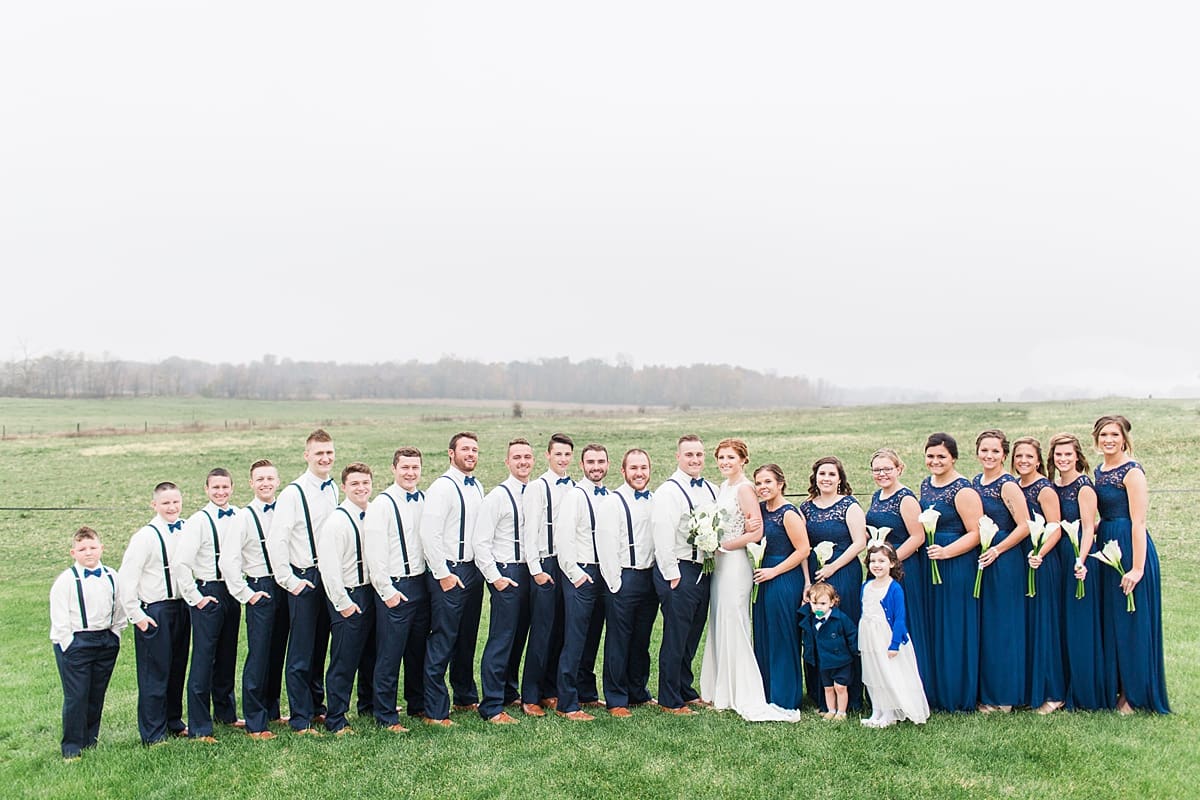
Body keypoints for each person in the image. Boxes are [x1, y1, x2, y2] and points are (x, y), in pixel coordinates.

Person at [700, 439, 799, 722]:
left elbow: (755, 533)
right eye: (720, 458)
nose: (724, 463)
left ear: (743, 460)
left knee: (734, 620)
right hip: (719, 563)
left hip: (735, 564)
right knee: (719, 619)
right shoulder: (723, 487)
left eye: (730, 458)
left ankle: (741, 691)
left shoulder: (745, 488)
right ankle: (722, 689)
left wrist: (725, 545)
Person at [1092, 415, 1169, 714]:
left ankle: (1135, 696)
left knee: (1132, 621)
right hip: (1107, 543)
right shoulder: (1099, 471)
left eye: (1114, 434)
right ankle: (1117, 688)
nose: (1108, 439)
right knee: (1112, 621)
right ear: (1096, 439)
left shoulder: (1132, 471)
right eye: (1103, 435)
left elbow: (1138, 522)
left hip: (1130, 546)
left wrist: (1137, 568)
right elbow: (1104, 514)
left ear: (1124, 438)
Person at [267, 428, 339, 734]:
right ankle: (299, 718)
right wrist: (289, 580)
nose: (325, 458)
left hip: (331, 575)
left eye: (329, 453)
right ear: (307, 455)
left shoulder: (334, 488)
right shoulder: (293, 493)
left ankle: (316, 706)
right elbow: (276, 540)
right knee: (300, 651)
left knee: (321, 645)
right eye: (319, 453)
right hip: (305, 576)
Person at [420, 431, 486, 726]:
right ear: (451, 453)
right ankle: (434, 709)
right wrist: (443, 573)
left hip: (473, 571)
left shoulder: (478, 487)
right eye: (465, 449)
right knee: (443, 638)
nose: (470, 454)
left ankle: (465, 696)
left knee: (466, 637)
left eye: (474, 450)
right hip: (449, 571)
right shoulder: (442, 488)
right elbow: (429, 534)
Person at [220, 459, 289, 739]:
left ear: (277, 481)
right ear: (251, 483)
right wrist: (246, 594)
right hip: (261, 586)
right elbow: (228, 561)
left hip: (285, 584)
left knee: (277, 652)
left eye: (270, 478)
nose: (265, 483)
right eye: (259, 479)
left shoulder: (284, 510)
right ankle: (255, 720)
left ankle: (272, 710)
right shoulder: (243, 517)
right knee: (259, 655)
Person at [118, 481, 190, 745]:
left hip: (182, 606)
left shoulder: (186, 529)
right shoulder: (144, 537)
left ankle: (174, 721)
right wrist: (137, 615)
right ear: (155, 505)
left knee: (176, 669)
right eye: (166, 503)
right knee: (154, 673)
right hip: (155, 609)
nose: (171, 507)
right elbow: (127, 578)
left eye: (175, 502)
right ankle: (152, 733)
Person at [651, 434, 718, 715]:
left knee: (692, 634)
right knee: (676, 636)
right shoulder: (669, 491)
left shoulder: (712, 489)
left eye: (699, 455)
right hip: (679, 569)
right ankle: (669, 699)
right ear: (678, 457)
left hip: (704, 569)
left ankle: (685, 688)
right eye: (689, 454)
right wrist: (671, 573)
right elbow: (661, 533)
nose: (694, 460)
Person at [364, 446, 429, 732]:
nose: (410, 473)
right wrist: (386, 590)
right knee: (390, 654)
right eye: (405, 467)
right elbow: (374, 553)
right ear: (393, 469)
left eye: (415, 467)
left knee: (417, 650)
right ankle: (386, 714)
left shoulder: (424, 499)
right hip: (395, 586)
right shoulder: (382, 504)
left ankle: (417, 704)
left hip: (420, 584)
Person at [175, 467, 243, 741]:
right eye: (215, 487)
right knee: (204, 659)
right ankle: (200, 726)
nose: (221, 492)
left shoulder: (239, 515)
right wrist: (196, 597)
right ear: (206, 489)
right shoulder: (198, 521)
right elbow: (181, 564)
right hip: (208, 589)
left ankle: (226, 714)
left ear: (232, 487)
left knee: (227, 655)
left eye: (225, 487)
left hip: (233, 590)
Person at [472, 438, 535, 725]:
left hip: (530, 572)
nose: (523, 462)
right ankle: (492, 705)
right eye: (517, 457)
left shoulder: (535, 493)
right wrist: (496, 579)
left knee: (519, 637)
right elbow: (480, 542)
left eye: (527, 457)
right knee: (501, 638)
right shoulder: (496, 497)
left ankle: (510, 692)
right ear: (507, 462)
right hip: (506, 572)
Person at [50, 526, 125, 760]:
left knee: (96, 693)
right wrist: (69, 643)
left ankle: (90, 740)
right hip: (76, 642)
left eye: (93, 547)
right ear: (73, 553)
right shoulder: (66, 581)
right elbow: (60, 617)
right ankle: (72, 747)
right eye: (82, 549)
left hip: (105, 639)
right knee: (77, 695)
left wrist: (115, 634)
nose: (89, 553)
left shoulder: (113, 576)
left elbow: (119, 607)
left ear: (101, 548)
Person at [921, 432, 983, 713]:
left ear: (953, 458)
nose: (935, 461)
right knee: (935, 626)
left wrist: (947, 552)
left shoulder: (963, 490)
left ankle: (957, 693)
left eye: (941, 456)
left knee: (954, 626)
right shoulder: (926, 485)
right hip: (930, 562)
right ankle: (935, 690)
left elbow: (976, 533)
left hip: (956, 563)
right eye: (931, 456)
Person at [800, 456, 866, 711]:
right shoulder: (806, 508)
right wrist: (807, 581)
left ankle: (850, 695)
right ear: (815, 477)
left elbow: (859, 542)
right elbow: (803, 547)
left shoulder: (849, 506)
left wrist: (833, 567)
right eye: (822, 473)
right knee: (817, 629)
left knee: (841, 629)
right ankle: (821, 693)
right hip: (817, 575)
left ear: (840, 479)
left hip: (843, 573)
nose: (826, 478)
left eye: (831, 474)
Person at [1047, 432, 1108, 710]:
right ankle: (1060, 685)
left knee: (1079, 624)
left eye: (1068, 454)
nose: (1063, 459)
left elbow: (1087, 528)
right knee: (1061, 623)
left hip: (1077, 557)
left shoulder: (1084, 487)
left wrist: (1081, 560)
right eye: (1058, 454)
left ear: (1077, 456)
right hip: (1057, 556)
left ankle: (1085, 691)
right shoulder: (1054, 485)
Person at [597, 448, 660, 717]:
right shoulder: (613, 501)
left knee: (641, 639)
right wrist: (615, 582)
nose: (639, 473)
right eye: (633, 468)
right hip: (625, 577)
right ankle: (616, 699)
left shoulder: (655, 500)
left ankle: (638, 692)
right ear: (623, 471)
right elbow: (606, 544)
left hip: (650, 577)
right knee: (619, 640)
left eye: (643, 467)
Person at [316, 462, 377, 735]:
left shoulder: (375, 512)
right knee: (344, 659)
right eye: (354, 484)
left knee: (370, 655)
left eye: (365, 483)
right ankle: (336, 718)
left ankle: (369, 704)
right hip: (348, 593)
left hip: (371, 591)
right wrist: (343, 604)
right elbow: (329, 570)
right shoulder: (336, 522)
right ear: (344, 487)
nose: (361, 488)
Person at [972, 430, 1030, 713]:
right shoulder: (974, 482)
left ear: (1004, 455)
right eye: (985, 450)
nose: (989, 456)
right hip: (981, 556)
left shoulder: (1007, 485)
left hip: (1004, 559)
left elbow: (1024, 525)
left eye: (995, 451)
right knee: (986, 626)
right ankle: (987, 691)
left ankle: (1005, 697)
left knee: (1004, 626)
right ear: (977, 452)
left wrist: (997, 549)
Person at [555, 443, 612, 721]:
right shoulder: (574, 496)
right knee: (575, 638)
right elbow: (562, 540)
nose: (596, 466)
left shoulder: (610, 496)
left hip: (605, 573)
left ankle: (587, 694)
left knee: (592, 637)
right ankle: (567, 702)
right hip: (582, 574)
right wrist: (576, 574)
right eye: (591, 462)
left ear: (608, 465)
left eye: (600, 461)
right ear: (582, 465)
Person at [864, 448, 931, 686]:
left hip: (902, 571)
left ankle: (912, 684)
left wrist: (889, 563)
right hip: (880, 571)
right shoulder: (876, 497)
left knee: (902, 623)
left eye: (887, 469)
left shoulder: (906, 499)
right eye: (877, 469)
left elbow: (917, 537)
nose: (882, 474)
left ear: (899, 469)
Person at [520, 433, 575, 716]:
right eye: (558, 454)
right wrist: (536, 571)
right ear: (548, 455)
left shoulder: (575, 487)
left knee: (562, 631)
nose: (563, 459)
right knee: (542, 631)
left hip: (569, 565)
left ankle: (550, 691)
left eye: (567, 455)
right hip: (546, 564)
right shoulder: (538, 488)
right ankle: (530, 695)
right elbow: (529, 532)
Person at [1013, 437, 1066, 714]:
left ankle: (1054, 692)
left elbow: (1055, 528)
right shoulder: (1014, 486)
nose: (1023, 460)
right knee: (1029, 627)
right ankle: (1029, 689)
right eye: (1019, 456)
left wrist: (1040, 553)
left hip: (1041, 561)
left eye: (1029, 456)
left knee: (1045, 626)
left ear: (1038, 460)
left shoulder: (1044, 489)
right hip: (1021, 561)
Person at [750, 464, 809, 710]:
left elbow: (804, 549)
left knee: (782, 636)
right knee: (764, 634)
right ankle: (765, 690)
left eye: (768, 482)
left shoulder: (789, 513)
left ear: (780, 484)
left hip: (783, 577)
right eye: (759, 483)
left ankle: (785, 696)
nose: (763, 487)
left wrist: (775, 571)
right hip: (762, 578)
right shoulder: (760, 510)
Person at [858, 543, 929, 727]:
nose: (876, 565)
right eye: (872, 561)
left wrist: (894, 643)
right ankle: (877, 711)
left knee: (887, 673)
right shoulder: (866, 586)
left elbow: (899, 619)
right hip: (869, 637)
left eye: (882, 560)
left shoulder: (894, 588)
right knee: (873, 674)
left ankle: (889, 713)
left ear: (892, 563)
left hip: (887, 637)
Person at [797, 583, 856, 721]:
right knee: (828, 688)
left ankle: (842, 712)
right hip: (824, 661)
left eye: (823, 603)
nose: (818, 607)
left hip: (841, 661)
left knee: (840, 687)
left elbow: (852, 633)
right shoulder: (811, 620)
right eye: (815, 603)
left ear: (832, 603)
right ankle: (831, 710)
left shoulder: (840, 618)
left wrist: (855, 650)